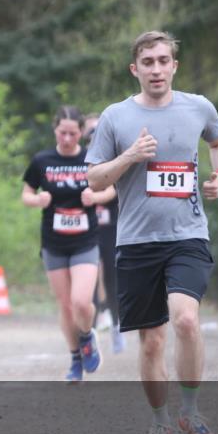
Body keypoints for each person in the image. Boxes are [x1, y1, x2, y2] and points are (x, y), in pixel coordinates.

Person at [86, 30, 218, 434]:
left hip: (188, 234)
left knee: (185, 320)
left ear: (174, 67)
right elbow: (94, 178)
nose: (156, 69)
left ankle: (191, 411)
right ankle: (160, 424)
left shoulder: (198, 107)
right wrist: (131, 155)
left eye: (163, 60)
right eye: (147, 62)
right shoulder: (116, 117)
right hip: (136, 241)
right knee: (151, 340)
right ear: (135, 69)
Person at [22, 106, 117, 383]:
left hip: (85, 241)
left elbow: (112, 189)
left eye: (73, 133)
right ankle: (76, 357)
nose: (66, 139)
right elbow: (26, 193)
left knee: (81, 303)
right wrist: (37, 200)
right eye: (62, 132)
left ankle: (87, 336)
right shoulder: (42, 160)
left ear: (81, 133)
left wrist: (96, 198)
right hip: (53, 242)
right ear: (55, 130)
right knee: (65, 305)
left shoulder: (93, 160)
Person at [83, 113, 125, 355]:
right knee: (88, 278)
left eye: (97, 131)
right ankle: (91, 331)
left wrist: (95, 197)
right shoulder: (79, 158)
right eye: (90, 131)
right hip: (86, 227)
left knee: (111, 276)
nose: (93, 135)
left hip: (110, 225)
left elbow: (111, 189)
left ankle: (117, 327)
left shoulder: (112, 157)